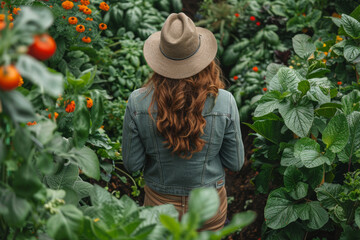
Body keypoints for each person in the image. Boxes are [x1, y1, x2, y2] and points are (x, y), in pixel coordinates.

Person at [122, 12, 245, 231]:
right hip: (209, 207)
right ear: (204, 58)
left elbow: (132, 165)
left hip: (161, 210)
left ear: (160, 60)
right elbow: (235, 162)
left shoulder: (138, 102)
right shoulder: (224, 102)